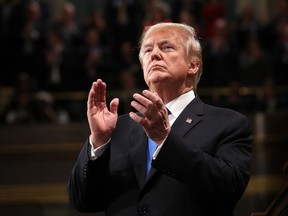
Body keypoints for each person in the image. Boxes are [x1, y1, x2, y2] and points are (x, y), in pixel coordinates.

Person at [68, 22, 253, 216]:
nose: (154, 54)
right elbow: (82, 201)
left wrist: (165, 139)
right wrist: (98, 140)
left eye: (167, 47)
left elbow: (229, 189)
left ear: (193, 65)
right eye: (147, 50)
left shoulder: (228, 123)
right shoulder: (117, 128)